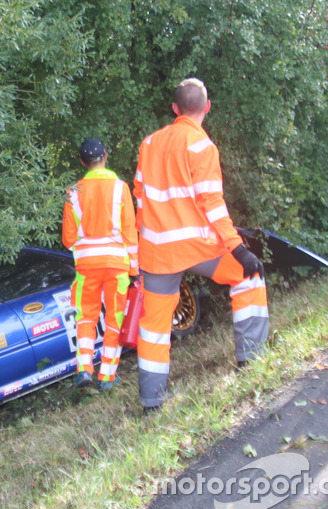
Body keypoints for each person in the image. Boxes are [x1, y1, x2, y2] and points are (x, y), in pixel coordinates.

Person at [133, 78, 269, 413]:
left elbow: (139, 198)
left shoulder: (148, 144)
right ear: (207, 107)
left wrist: (138, 252)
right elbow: (213, 203)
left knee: (153, 326)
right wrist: (238, 249)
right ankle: (250, 359)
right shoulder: (202, 147)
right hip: (199, 246)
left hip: (157, 251)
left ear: (175, 109)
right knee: (248, 277)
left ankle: (152, 402)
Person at [62, 139, 139, 391]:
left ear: (83, 162)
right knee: (115, 318)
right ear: (105, 156)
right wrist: (135, 270)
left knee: (85, 317)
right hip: (116, 264)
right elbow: (129, 232)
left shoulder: (72, 192)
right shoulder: (120, 188)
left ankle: (84, 369)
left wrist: (84, 249)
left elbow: (67, 239)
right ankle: (106, 377)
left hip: (86, 266)